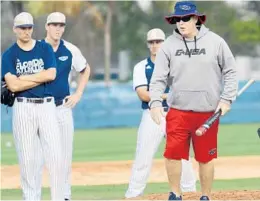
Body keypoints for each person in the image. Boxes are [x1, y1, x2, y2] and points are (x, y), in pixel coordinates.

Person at [149, 1, 238, 200]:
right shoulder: (168, 46)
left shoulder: (216, 42)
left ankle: (205, 196)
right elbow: (158, 78)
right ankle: (175, 193)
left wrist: (227, 99)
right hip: (178, 111)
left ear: (196, 19)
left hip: (207, 111)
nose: (181, 23)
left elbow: (231, 72)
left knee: (205, 157)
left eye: (185, 19)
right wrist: (155, 103)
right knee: (172, 154)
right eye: (177, 19)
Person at [125, 28, 196, 199]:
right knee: (143, 155)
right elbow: (143, 94)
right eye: (152, 42)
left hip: (176, 113)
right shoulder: (141, 67)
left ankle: (190, 192)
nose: (155, 45)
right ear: (148, 44)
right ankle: (133, 194)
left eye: (159, 41)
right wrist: (168, 95)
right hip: (152, 114)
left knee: (183, 156)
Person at [1, 12, 64, 201]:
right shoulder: (9, 55)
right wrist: (38, 76)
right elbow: (12, 86)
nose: (26, 31)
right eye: (22, 28)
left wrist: (22, 78)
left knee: (56, 157)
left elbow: (51, 74)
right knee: (28, 160)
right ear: (15, 29)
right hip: (23, 107)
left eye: (29, 27)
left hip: (46, 106)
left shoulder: (44, 48)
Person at [35, 12, 91, 201]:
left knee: (65, 155)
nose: (58, 28)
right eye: (54, 24)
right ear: (47, 26)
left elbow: (85, 69)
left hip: (62, 107)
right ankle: (34, 196)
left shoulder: (70, 49)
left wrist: (78, 94)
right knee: (37, 156)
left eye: (61, 25)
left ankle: (64, 196)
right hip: (40, 107)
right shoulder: (37, 48)